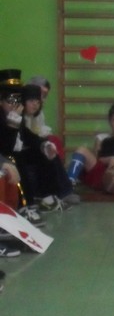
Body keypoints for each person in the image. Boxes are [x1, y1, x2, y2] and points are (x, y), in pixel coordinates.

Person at [0, 74, 73, 217]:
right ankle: (25, 205)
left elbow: (26, 135)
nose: (14, 104)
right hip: (5, 155)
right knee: (17, 159)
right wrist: (13, 124)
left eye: (17, 100)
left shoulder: (15, 114)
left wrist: (44, 145)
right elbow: (6, 147)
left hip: (12, 152)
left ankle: (47, 197)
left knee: (43, 153)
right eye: (10, 100)